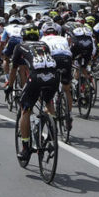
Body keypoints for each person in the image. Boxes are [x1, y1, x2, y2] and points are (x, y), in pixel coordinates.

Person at [12, 24, 58, 166]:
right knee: (48, 101)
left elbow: (15, 69)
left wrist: (9, 86)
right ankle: (52, 137)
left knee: (25, 110)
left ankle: (25, 148)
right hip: (53, 77)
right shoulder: (44, 45)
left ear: (23, 36)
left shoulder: (20, 46)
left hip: (35, 77)